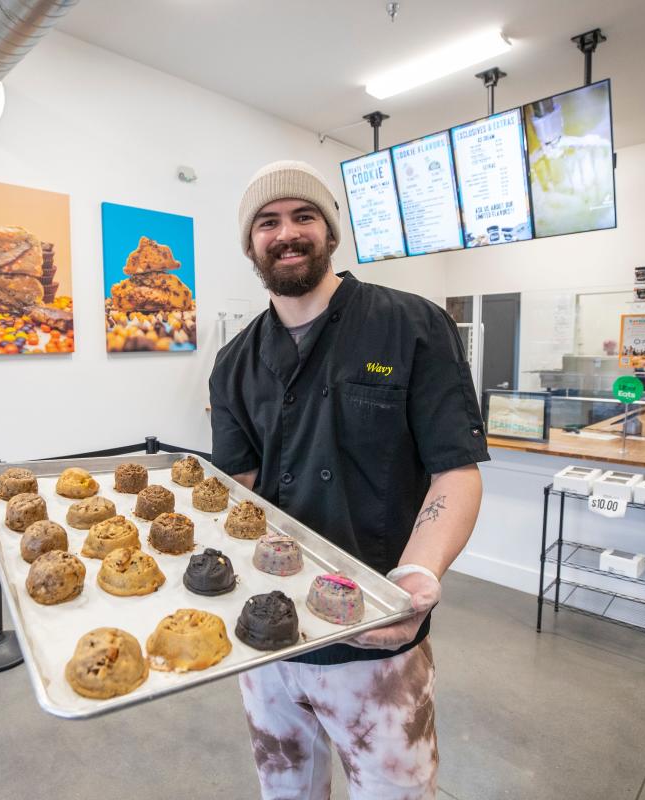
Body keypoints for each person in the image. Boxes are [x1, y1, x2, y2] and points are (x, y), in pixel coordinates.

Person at [210, 160, 488, 799]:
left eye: (304, 216)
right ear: (251, 243)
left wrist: (418, 573)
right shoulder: (234, 362)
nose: (287, 233)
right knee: (286, 791)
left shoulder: (412, 325)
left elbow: (455, 469)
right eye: (267, 222)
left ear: (330, 232)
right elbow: (237, 491)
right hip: (266, 639)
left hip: (377, 645)